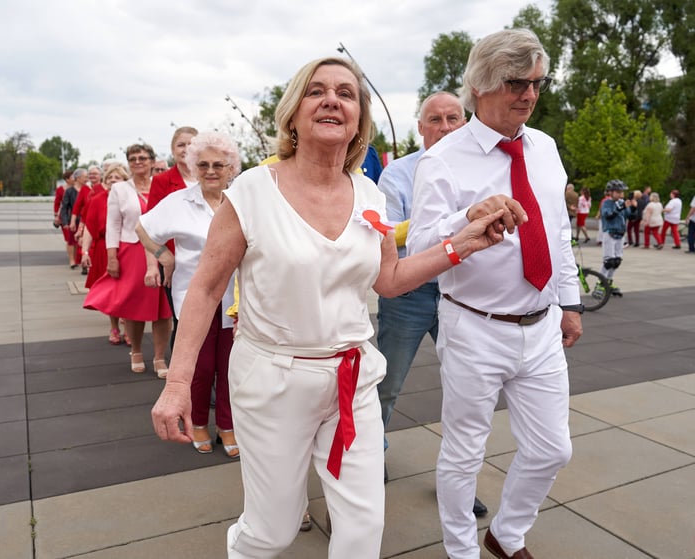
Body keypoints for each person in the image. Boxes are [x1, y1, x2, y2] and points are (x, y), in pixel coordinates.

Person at [150, 56, 509, 559]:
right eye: (316, 91)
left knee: (363, 530)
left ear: (359, 117)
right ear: (294, 113)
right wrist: (177, 384)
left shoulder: (370, 194)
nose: (332, 100)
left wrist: (461, 245)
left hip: (353, 379)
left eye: (345, 92)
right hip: (271, 381)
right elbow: (206, 290)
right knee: (271, 532)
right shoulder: (252, 191)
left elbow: (388, 280)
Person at [408, 29, 583, 559]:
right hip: (474, 325)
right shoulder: (443, 159)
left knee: (554, 448)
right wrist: (470, 215)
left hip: (542, 323)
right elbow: (417, 247)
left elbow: (557, 232)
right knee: (464, 453)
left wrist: (570, 302)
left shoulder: (546, 148)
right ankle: (460, 551)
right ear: (481, 86)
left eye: (537, 82)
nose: (529, 94)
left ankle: (506, 535)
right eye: (516, 82)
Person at [373, 90, 488, 517]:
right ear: (419, 127)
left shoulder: (481, 169)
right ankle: (370, 457)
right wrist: (459, 226)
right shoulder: (398, 175)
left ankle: (456, 482)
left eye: (453, 118)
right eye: (434, 120)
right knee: (386, 384)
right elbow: (391, 234)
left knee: (469, 391)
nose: (444, 127)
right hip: (410, 292)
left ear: (465, 121)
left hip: (465, 291)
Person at [137, 131, 241, 458]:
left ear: (231, 168)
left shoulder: (242, 199)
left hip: (237, 299)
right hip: (194, 298)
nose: (211, 171)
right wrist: (162, 255)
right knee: (200, 366)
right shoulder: (179, 202)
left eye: (219, 165)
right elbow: (143, 227)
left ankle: (227, 424)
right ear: (194, 167)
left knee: (231, 367)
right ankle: (197, 422)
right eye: (204, 165)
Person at [83, 144, 173, 376]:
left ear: (153, 161)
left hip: (162, 250)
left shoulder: (161, 185)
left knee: (164, 308)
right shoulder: (120, 189)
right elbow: (113, 224)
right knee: (134, 306)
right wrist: (112, 256)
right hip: (131, 251)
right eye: (132, 158)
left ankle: (160, 357)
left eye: (142, 157)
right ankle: (136, 351)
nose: (137, 162)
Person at [147, 126, 199, 351]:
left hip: (210, 260)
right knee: (183, 321)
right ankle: (182, 375)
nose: (186, 148)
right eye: (181, 144)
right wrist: (161, 259)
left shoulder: (211, 175)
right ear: (172, 149)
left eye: (191, 143)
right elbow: (147, 228)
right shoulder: (162, 181)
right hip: (177, 265)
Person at [81, 162, 129, 342]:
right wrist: (85, 252)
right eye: (109, 177)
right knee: (113, 292)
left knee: (128, 291)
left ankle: (130, 330)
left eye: (117, 177)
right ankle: (114, 327)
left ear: (125, 180)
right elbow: (90, 228)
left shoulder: (132, 198)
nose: (113, 180)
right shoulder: (97, 200)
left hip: (128, 248)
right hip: (105, 250)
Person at [598, 179, 632, 296]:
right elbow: (608, 215)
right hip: (610, 233)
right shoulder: (607, 203)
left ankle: (609, 281)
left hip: (620, 233)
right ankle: (600, 283)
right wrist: (620, 208)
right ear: (611, 192)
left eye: (621, 192)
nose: (621, 194)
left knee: (617, 261)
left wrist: (634, 208)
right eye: (618, 192)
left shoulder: (622, 202)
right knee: (609, 261)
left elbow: (630, 216)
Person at [59, 169, 84, 269]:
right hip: (72, 220)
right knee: (71, 241)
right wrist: (64, 221)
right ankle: (72, 260)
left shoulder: (87, 189)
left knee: (81, 241)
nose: (86, 179)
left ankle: (78, 259)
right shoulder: (69, 191)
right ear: (78, 178)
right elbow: (64, 207)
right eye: (84, 177)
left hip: (84, 220)